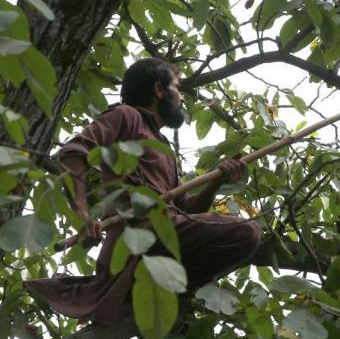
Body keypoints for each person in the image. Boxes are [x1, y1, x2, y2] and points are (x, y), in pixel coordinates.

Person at [24, 58, 262, 324]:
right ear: (159, 90)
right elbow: (73, 152)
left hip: (167, 234)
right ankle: (146, 288)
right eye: (177, 88)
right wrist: (82, 213)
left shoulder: (163, 149)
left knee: (245, 234)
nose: (181, 98)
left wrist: (216, 181)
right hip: (138, 236)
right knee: (247, 231)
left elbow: (187, 211)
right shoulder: (126, 115)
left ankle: (157, 290)